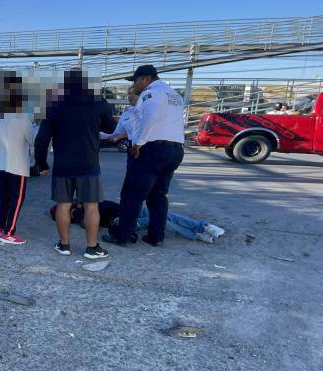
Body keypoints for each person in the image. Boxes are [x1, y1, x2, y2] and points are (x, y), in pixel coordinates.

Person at [34, 68, 116, 259]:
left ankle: (64, 245)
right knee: (91, 206)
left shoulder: (54, 105)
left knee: (63, 205)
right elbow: (111, 127)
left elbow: (42, 139)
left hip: (63, 165)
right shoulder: (98, 102)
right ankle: (92, 248)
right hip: (89, 165)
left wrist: (42, 163)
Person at [102, 64, 185, 247]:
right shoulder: (174, 94)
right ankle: (156, 236)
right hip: (175, 150)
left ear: (145, 79)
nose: (135, 86)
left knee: (132, 194)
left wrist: (139, 143)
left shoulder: (151, 93)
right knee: (158, 196)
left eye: (135, 81)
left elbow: (151, 117)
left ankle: (122, 235)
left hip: (152, 149)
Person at [50, 201, 226, 243]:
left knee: (164, 212)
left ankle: (200, 229)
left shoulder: (86, 202)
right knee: (159, 217)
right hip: (122, 220)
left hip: (131, 210)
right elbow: (88, 224)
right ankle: (200, 230)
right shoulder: (82, 218)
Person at [0, 76, 34, 245]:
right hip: (18, 167)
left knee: (3, 197)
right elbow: (33, 141)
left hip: (1, 165)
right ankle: (9, 233)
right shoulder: (23, 121)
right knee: (16, 200)